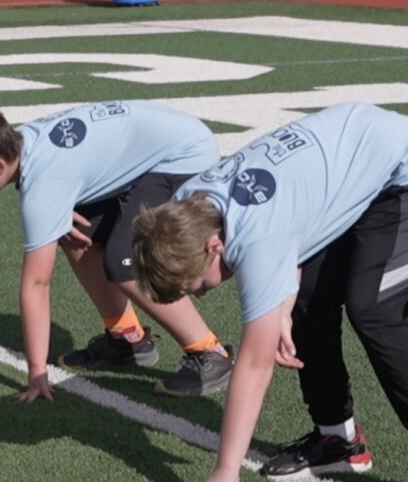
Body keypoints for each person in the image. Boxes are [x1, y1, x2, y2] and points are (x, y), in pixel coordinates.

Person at [132, 102, 408, 480]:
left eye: (196, 284)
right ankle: (338, 442)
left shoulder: (256, 238)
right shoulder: (191, 200)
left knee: (374, 309)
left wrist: (226, 470)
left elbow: (254, 366)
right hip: (353, 154)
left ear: (214, 246)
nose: (201, 295)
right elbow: (294, 220)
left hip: (397, 169)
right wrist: (283, 304)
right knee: (305, 304)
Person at [0, 102, 233, 402]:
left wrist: (37, 372)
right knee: (77, 232)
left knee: (126, 260)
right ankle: (127, 338)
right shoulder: (21, 141)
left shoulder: (44, 185)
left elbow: (37, 285)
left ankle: (209, 352)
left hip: (182, 155)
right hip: (156, 150)